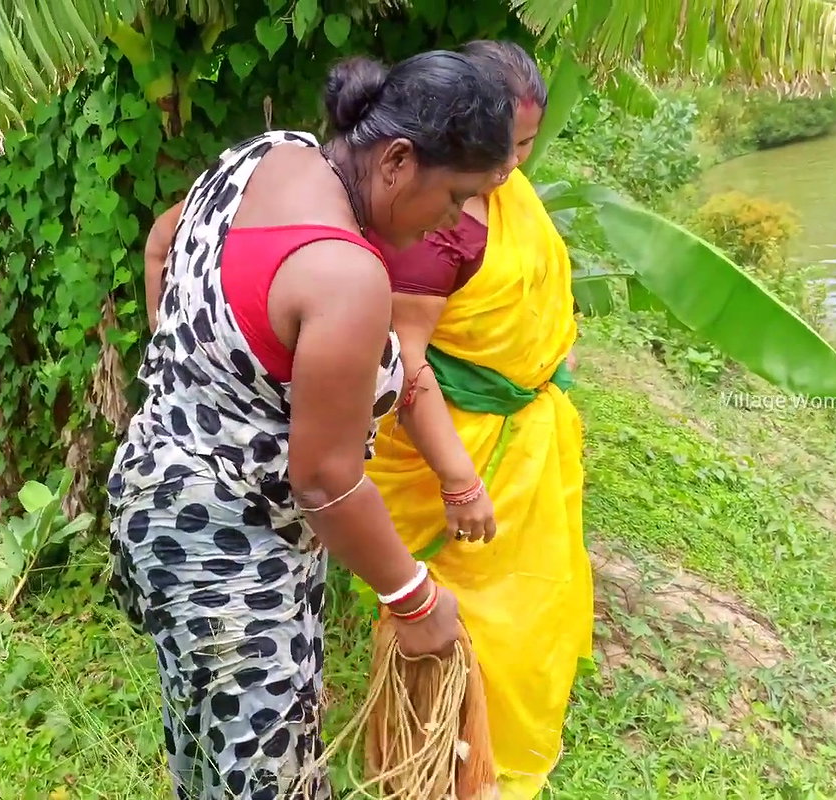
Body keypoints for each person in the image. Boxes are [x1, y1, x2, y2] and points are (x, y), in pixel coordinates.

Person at [107, 50, 515, 799]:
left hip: (159, 505)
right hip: (230, 551)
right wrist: (415, 599)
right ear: (398, 161)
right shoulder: (344, 274)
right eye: (454, 197)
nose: (449, 223)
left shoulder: (269, 154)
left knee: (209, 762)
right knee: (267, 783)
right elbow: (325, 478)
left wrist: (192, 360)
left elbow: (163, 238)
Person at [363, 40, 593, 799]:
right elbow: (405, 364)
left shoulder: (502, 192)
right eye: (506, 148)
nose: (512, 167)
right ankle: (453, 773)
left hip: (523, 438)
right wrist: (459, 480)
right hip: (456, 451)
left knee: (532, 611)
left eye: (526, 147)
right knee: (480, 622)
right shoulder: (444, 225)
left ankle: (497, 762)